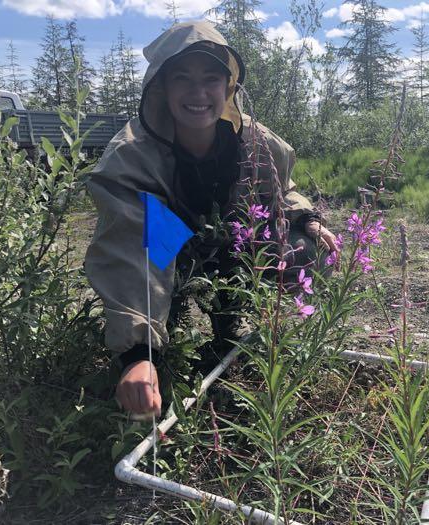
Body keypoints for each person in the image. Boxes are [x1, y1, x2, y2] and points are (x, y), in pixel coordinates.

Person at [84, 21, 339, 418]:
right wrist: (137, 352)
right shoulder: (132, 156)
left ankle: (234, 330)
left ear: (228, 88)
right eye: (182, 78)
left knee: (305, 247)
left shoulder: (257, 141)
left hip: (235, 246)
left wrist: (306, 217)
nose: (198, 93)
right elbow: (131, 246)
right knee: (160, 241)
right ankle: (162, 345)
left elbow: (282, 191)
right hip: (173, 259)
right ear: (161, 88)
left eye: (211, 79)